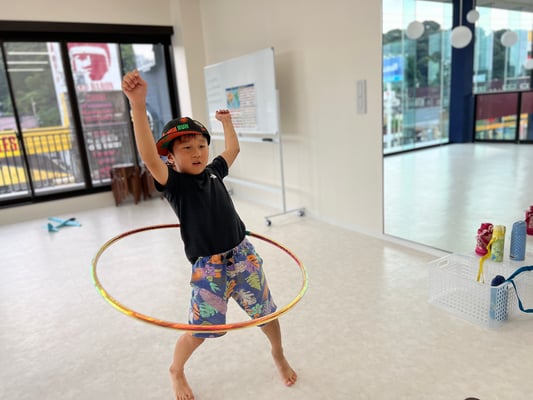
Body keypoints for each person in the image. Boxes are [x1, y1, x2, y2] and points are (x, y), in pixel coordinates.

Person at [121, 70, 297, 400]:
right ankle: (176, 370)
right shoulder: (174, 184)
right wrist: (138, 105)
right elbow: (148, 156)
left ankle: (278, 353)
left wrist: (226, 122)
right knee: (201, 330)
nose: (198, 152)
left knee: (266, 314)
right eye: (187, 148)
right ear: (170, 158)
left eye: (202, 145)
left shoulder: (214, 171)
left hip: (243, 256)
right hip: (210, 269)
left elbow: (233, 149)